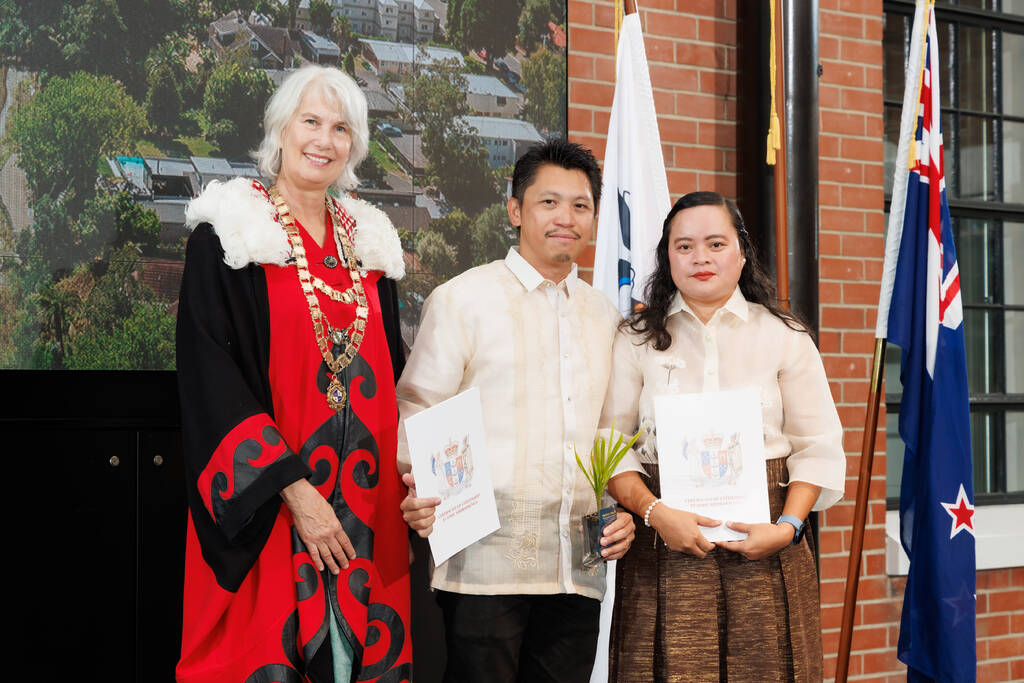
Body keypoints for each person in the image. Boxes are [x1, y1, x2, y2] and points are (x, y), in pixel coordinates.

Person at [175, 64, 411, 683]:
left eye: (340, 128)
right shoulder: (231, 236)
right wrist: (294, 490)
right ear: (280, 130)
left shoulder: (371, 246)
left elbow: (394, 374)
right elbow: (210, 377)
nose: (323, 140)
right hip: (271, 509)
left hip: (364, 506)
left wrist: (420, 475)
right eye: (310, 121)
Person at [396, 139, 636, 683]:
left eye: (580, 205)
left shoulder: (605, 317)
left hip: (578, 566)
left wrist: (619, 512)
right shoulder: (463, 300)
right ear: (515, 210)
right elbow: (417, 413)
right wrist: (416, 492)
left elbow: (611, 435)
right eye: (549, 202)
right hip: (484, 563)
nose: (566, 218)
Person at [603, 191, 845, 682]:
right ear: (667, 257)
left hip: (767, 542)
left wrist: (788, 528)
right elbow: (609, 446)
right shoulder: (635, 339)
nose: (701, 258)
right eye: (684, 246)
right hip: (663, 544)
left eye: (716, 244)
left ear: (742, 253)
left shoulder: (785, 336)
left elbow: (817, 446)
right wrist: (655, 512)